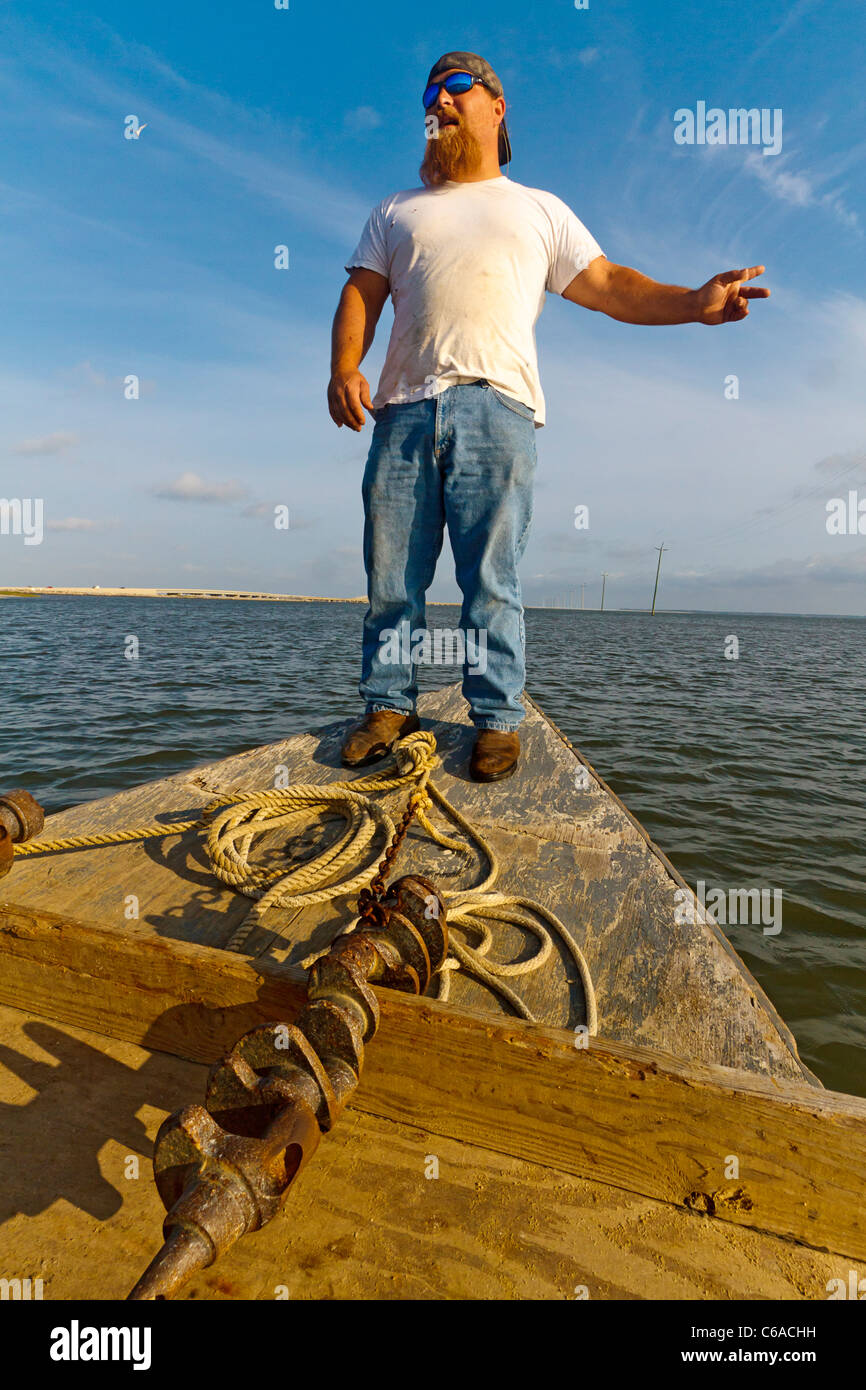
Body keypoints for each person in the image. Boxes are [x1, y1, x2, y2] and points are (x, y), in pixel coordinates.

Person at [328, 50, 769, 782]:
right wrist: (346, 365)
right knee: (391, 580)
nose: (438, 100)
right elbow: (362, 295)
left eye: (456, 86)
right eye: (430, 92)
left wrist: (695, 303)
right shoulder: (395, 211)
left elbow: (608, 284)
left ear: (497, 107)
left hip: (498, 410)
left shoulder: (538, 208)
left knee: (491, 579)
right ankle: (387, 705)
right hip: (402, 411)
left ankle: (496, 718)